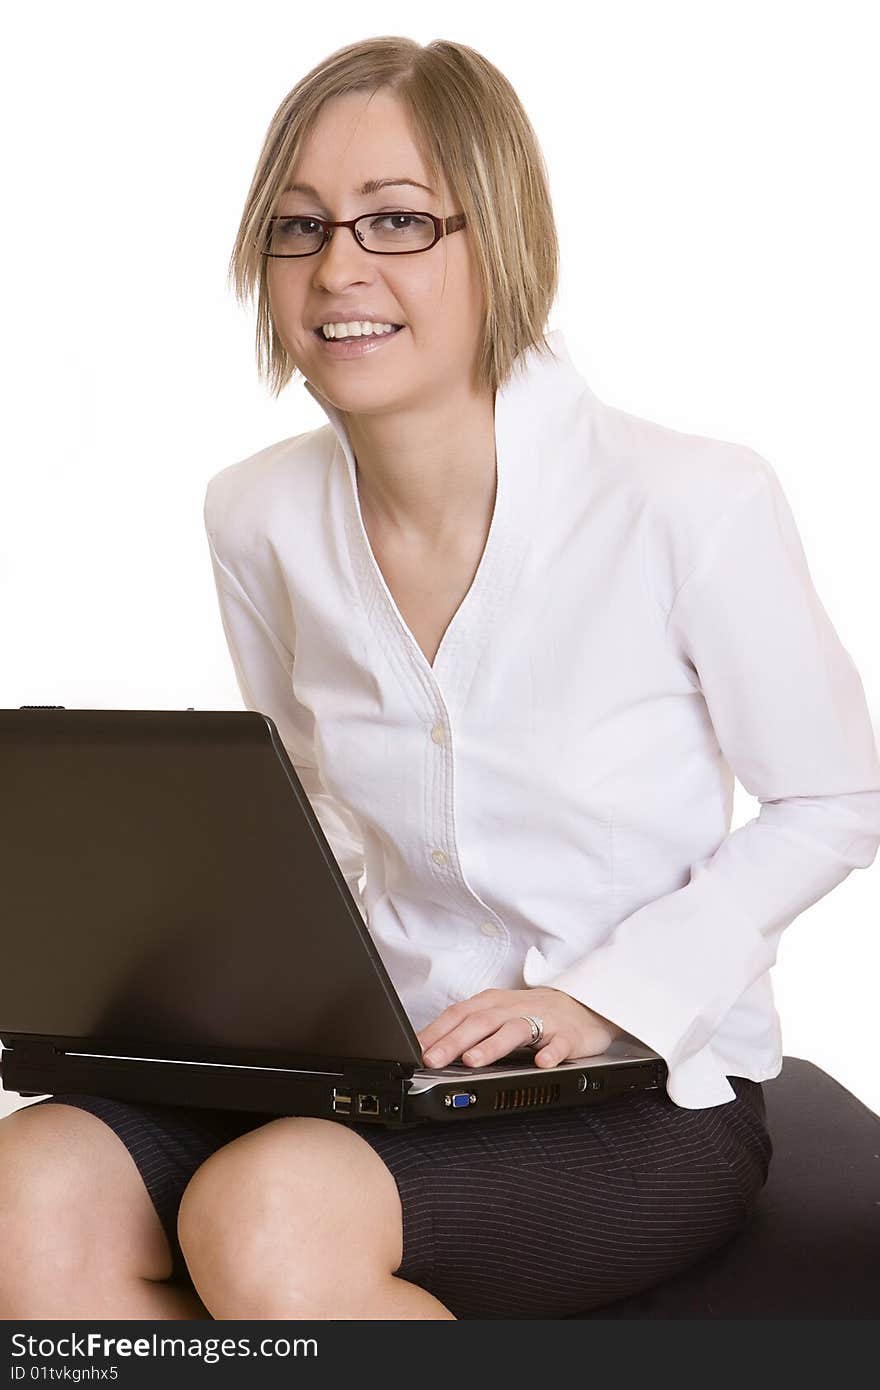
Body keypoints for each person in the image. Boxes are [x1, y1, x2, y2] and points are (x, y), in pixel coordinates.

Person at [3, 35, 879, 1323]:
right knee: (30, 1189)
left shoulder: (687, 502)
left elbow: (838, 799)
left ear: (501, 238)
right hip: (367, 1058)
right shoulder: (256, 515)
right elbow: (297, 801)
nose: (339, 268)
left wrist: (601, 997)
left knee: (272, 1217)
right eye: (299, 228)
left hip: (643, 1082)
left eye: (397, 220)